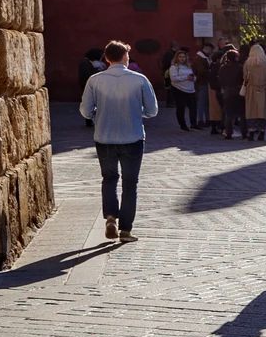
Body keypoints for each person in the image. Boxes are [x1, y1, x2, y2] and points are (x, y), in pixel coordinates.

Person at [79, 40, 158, 242]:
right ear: (125, 57)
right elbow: (152, 110)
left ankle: (111, 217)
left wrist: (99, 114)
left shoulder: (95, 80)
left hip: (104, 137)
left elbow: (85, 111)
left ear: (106, 58)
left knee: (109, 179)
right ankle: (125, 230)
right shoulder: (139, 80)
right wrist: (135, 111)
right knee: (130, 184)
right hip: (132, 136)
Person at [216, 47, 245, 139]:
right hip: (238, 90)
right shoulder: (240, 67)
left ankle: (228, 133)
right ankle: (244, 132)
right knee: (242, 114)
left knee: (229, 114)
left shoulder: (222, 68)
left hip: (227, 91)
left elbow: (220, 81)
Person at [166, 49, 197, 131]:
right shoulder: (173, 67)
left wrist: (193, 78)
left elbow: (194, 77)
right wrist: (186, 77)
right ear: (177, 58)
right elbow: (174, 79)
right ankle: (183, 126)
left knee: (193, 108)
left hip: (190, 90)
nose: (182, 59)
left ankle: (193, 124)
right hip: (179, 90)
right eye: (180, 57)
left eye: (184, 57)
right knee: (181, 108)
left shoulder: (188, 66)